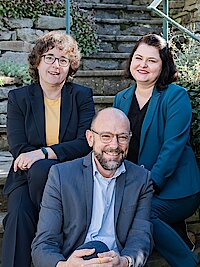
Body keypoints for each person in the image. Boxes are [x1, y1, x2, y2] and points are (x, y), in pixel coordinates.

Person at [2, 31, 95, 267]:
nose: (56, 65)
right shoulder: (19, 98)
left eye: (63, 60)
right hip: (26, 176)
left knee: (43, 170)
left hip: (69, 175)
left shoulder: (81, 96)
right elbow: (19, 146)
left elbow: (85, 142)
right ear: (38, 61)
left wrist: (43, 153)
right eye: (50, 57)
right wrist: (38, 158)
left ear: (70, 67)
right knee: (18, 215)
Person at [113, 33, 200, 267]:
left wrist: (147, 188)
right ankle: (177, 235)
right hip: (138, 185)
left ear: (163, 66)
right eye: (138, 58)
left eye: (151, 60)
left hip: (177, 188)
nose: (143, 65)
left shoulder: (175, 96)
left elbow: (172, 148)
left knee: (143, 213)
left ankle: (187, 263)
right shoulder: (120, 99)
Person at [31, 107, 153, 267]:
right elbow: (44, 244)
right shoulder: (61, 176)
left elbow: (141, 235)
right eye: (106, 136)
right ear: (90, 138)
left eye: (122, 137)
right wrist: (65, 265)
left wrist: (124, 262)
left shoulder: (141, 179)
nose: (114, 145)